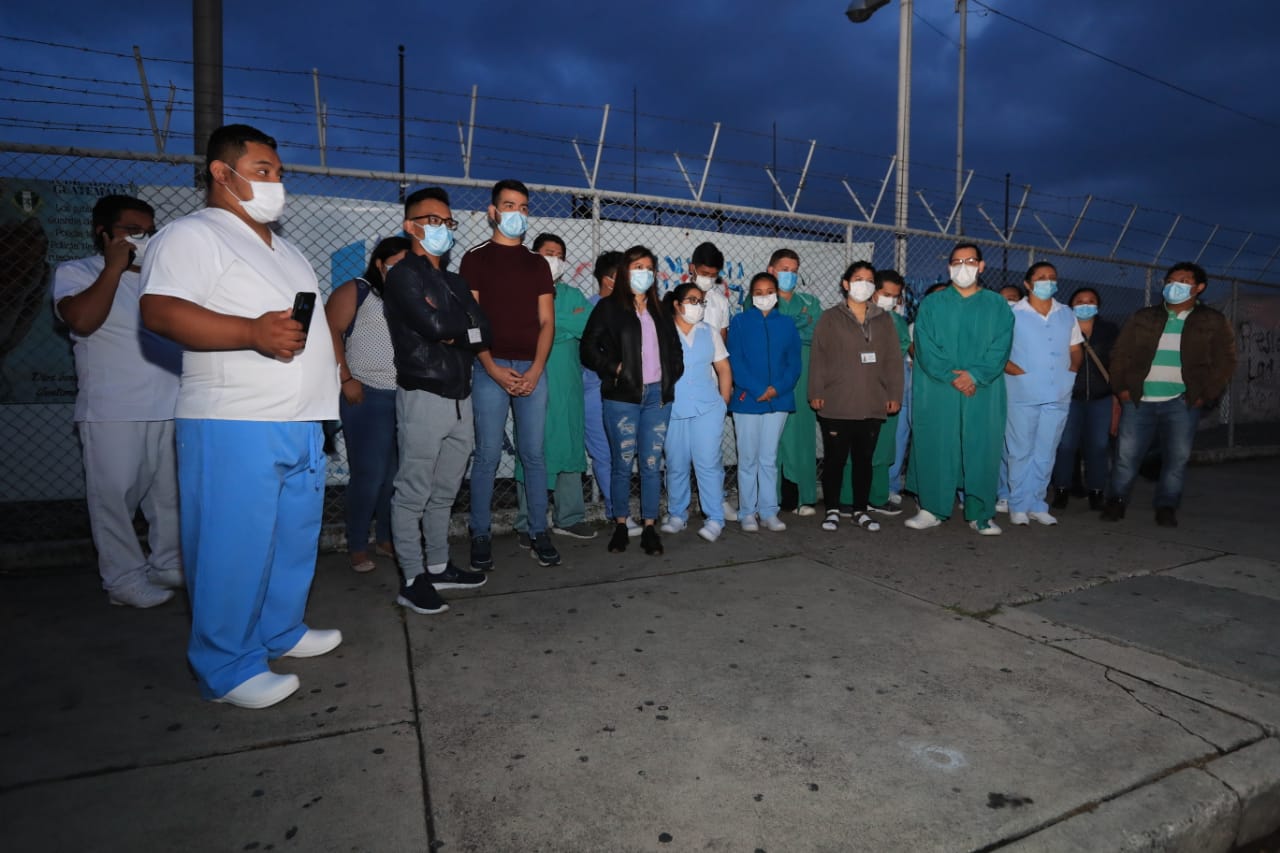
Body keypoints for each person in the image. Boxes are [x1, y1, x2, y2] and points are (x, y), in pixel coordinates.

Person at [140, 124, 341, 709]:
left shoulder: (286, 247)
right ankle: (226, 667)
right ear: (221, 174)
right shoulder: (193, 235)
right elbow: (159, 312)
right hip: (235, 420)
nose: (275, 182)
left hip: (301, 420)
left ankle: (280, 630)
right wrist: (250, 333)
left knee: (291, 538)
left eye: (278, 172)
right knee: (232, 546)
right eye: (262, 171)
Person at [52, 194, 183, 608]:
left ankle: (167, 563)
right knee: (115, 499)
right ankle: (123, 579)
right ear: (103, 233)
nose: (144, 238)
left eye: (150, 230)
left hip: (169, 405)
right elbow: (82, 320)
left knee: (169, 498)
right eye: (132, 230)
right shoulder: (77, 272)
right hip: (113, 410)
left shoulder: (159, 281)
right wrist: (114, 267)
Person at [383, 187, 491, 615]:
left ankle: (439, 564)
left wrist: (457, 329)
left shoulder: (454, 280)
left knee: (445, 490)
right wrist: (458, 328)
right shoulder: (402, 275)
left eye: (448, 223)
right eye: (433, 221)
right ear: (411, 225)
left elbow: (485, 328)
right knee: (412, 491)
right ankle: (412, 578)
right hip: (424, 392)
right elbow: (431, 326)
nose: (442, 229)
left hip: (460, 395)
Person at [460, 179, 560, 569]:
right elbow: (471, 321)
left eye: (523, 207)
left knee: (534, 455)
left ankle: (538, 530)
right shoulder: (475, 258)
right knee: (486, 455)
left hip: (532, 369)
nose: (516, 213)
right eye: (509, 205)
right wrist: (490, 366)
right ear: (492, 211)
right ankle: (480, 532)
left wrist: (535, 369)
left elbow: (547, 322)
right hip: (490, 368)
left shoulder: (537, 264)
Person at [1102, 262, 1236, 527]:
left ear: (1199, 288)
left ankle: (1167, 506)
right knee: (1126, 456)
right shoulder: (1143, 317)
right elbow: (1120, 353)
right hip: (1139, 399)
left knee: (1177, 458)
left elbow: (1225, 361)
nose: (1175, 285)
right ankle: (1116, 501)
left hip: (1182, 402)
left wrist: (1205, 394)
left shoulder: (1212, 320)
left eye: (1184, 281)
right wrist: (1122, 388)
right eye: (1171, 280)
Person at [580, 245, 684, 555]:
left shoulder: (661, 309)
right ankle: (621, 525)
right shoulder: (608, 307)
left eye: (649, 268)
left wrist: (671, 374)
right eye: (638, 266)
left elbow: (675, 350)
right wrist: (614, 368)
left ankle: (650, 526)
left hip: (657, 398)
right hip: (622, 398)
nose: (645, 273)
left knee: (652, 464)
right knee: (622, 463)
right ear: (626, 271)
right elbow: (587, 348)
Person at [905, 243, 1013, 536]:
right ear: (948, 266)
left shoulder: (997, 305)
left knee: (982, 446)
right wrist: (952, 376)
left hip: (982, 389)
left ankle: (981, 513)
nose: (962, 266)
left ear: (981, 266)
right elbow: (925, 346)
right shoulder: (933, 304)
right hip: (939, 388)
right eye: (956, 261)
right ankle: (931, 508)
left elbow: (1001, 346)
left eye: (969, 260)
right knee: (936, 444)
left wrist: (975, 375)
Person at [324, 236, 411, 573]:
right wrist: (346, 378)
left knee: (394, 477)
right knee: (369, 475)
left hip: (402, 396)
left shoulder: (407, 296)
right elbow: (330, 330)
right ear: (379, 263)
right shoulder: (357, 290)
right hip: (367, 394)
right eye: (397, 263)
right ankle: (357, 544)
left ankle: (385, 538)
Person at [512, 233, 596, 540]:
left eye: (560, 254)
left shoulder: (573, 293)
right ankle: (526, 522)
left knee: (569, 445)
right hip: (532, 379)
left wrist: (548, 326)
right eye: (549, 252)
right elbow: (524, 328)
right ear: (533, 255)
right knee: (532, 448)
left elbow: (586, 325)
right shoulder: (520, 293)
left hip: (568, 385)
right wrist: (559, 326)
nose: (555, 259)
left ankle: (569, 517)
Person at [809, 262, 904, 532]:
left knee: (864, 460)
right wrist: (816, 391)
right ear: (846, 284)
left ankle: (861, 510)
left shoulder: (883, 319)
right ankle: (832, 510)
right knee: (835, 460)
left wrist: (894, 393)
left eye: (869, 279)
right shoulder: (830, 317)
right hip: (837, 402)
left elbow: (893, 360)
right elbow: (818, 357)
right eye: (858, 279)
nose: (864, 284)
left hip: (872, 402)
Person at [1003, 262, 1083, 526]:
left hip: (1058, 392)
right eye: (1040, 277)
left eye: (1052, 277)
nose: (1047, 281)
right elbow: (997, 348)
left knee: (1046, 450)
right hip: (1022, 391)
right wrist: (1014, 370)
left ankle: (1037, 502)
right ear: (1028, 284)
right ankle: (1017, 504)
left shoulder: (1066, 313)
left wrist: (1072, 370)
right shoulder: (1013, 313)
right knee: (1020, 450)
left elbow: (1075, 348)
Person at [727, 273, 801, 532]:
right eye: (758, 292)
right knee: (747, 459)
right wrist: (759, 388)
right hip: (748, 400)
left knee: (768, 458)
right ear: (751, 295)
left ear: (776, 294)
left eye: (769, 290)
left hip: (778, 400)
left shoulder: (788, 324)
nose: (764, 296)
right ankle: (748, 511)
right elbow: (735, 360)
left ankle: (769, 511)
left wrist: (776, 389)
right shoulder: (739, 322)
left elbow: (794, 363)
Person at [661, 283, 733, 542]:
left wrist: (723, 402)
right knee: (676, 463)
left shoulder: (709, 332)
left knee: (708, 464)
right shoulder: (663, 332)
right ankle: (678, 515)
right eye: (691, 300)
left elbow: (723, 368)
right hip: (673, 409)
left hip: (707, 408)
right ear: (677, 305)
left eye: (701, 301)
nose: (697, 305)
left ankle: (714, 518)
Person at [583, 250, 641, 536]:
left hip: (625, 393)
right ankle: (618, 513)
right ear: (608, 280)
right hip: (596, 390)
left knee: (622, 453)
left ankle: (618, 511)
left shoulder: (631, 309)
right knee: (604, 453)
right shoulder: (593, 308)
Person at [1052, 288, 1118, 511]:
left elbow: (1117, 364)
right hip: (1069, 397)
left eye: (1090, 301)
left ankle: (1096, 492)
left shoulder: (1109, 330)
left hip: (1101, 398)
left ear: (1098, 305)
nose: (1085, 304)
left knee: (1098, 447)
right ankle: (1061, 490)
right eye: (1079, 301)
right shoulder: (1062, 328)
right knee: (1065, 445)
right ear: (1071, 305)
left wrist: (1117, 397)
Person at [771, 248, 821, 516]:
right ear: (771, 270)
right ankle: (775, 498)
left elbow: (817, 333)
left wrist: (787, 327)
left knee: (801, 436)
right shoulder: (759, 297)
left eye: (793, 269)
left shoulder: (810, 302)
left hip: (803, 377)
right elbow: (765, 332)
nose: (789, 274)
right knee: (773, 439)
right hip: (772, 377)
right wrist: (798, 325)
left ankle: (805, 497)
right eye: (784, 269)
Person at [865, 268, 913, 515]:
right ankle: (851, 497)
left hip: (888, 391)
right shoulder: (857, 315)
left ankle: (877, 496)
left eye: (895, 296)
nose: (890, 300)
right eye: (885, 294)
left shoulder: (897, 322)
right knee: (859, 445)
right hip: (861, 392)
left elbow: (900, 351)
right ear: (873, 291)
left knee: (884, 446)